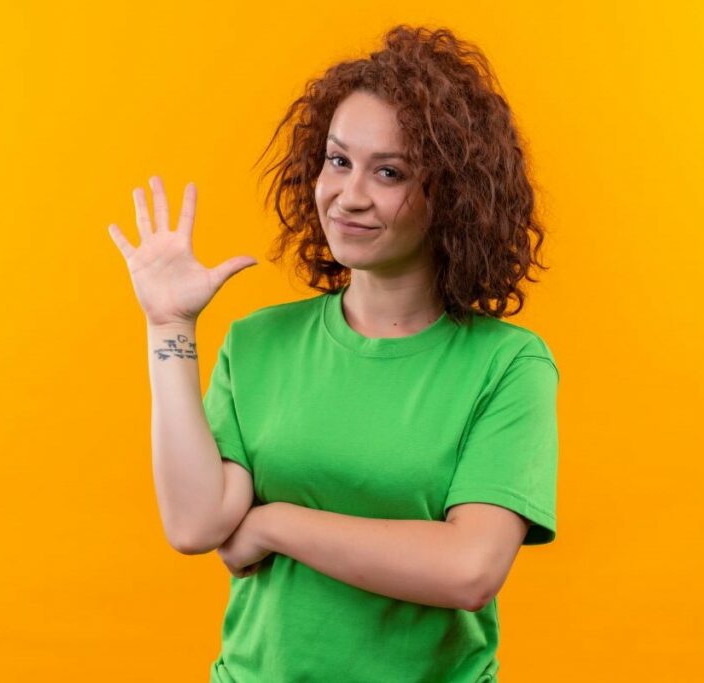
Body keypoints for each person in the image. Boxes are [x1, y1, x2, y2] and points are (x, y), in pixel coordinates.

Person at [109, 23, 559, 683]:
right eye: (338, 160)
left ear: (454, 196)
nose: (348, 195)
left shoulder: (507, 365)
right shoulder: (259, 342)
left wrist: (277, 524)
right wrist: (168, 327)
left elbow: (470, 568)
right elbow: (196, 521)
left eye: (391, 172)